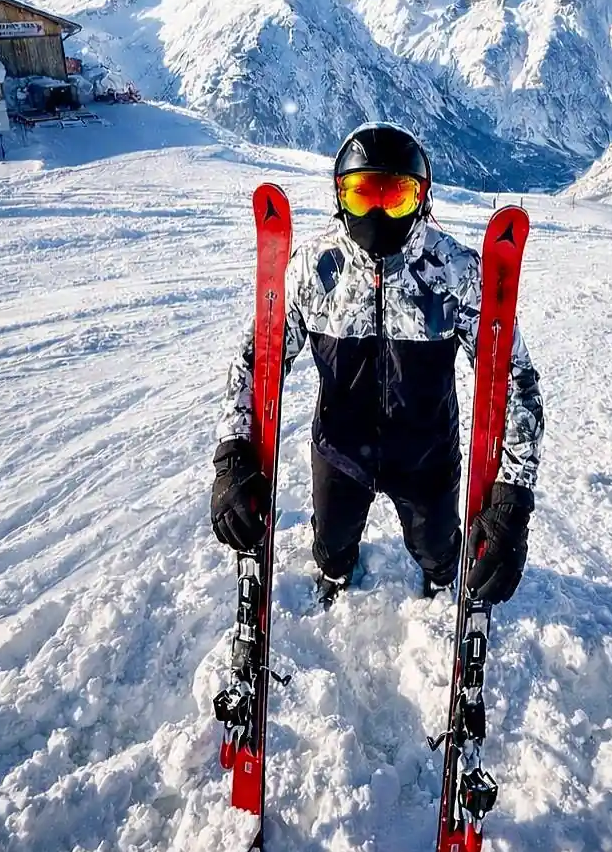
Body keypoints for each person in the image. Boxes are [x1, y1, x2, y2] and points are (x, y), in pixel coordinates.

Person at [210, 123, 545, 606]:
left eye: (397, 196)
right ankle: (337, 571)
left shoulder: (455, 272)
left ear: (422, 199)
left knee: (438, 549)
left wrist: (513, 501)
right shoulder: (313, 269)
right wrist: (234, 454)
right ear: (340, 196)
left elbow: (515, 380)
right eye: (362, 193)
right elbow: (257, 359)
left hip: (426, 453)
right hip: (340, 451)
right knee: (332, 543)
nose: (379, 210)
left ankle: (437, 576)